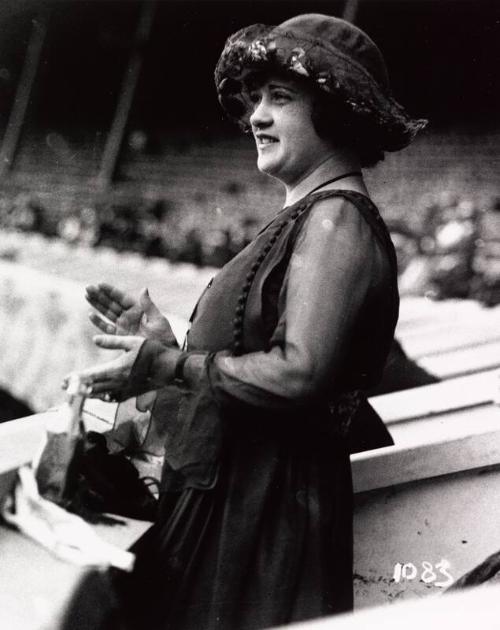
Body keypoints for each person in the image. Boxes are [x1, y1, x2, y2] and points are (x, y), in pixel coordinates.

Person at [69, 13, 426, 630]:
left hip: (262, 519)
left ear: (338, 112)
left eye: (279, 99)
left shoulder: (335, 220)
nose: (255, 116)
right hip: (239, 504)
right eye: (254, 99)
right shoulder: (310, 216)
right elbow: (250, 366)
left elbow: (298, 375)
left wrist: (166, 364)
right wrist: (165, 345)